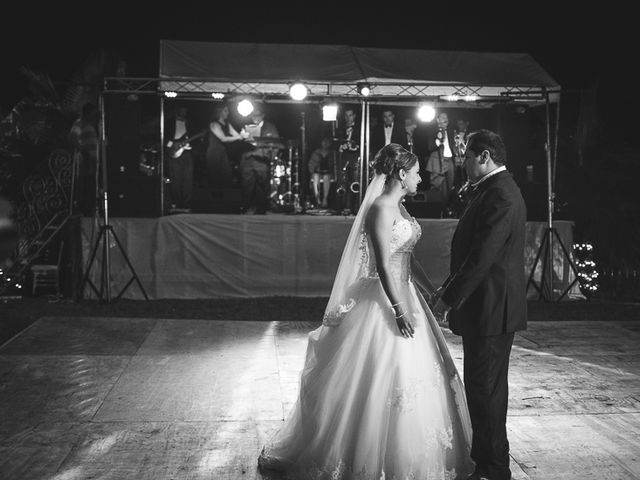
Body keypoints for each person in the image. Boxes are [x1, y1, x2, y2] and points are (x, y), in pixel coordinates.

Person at [258, 143, 475, 480]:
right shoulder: (380, 210)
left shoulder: (401, 208)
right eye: (417, 173)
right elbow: (385, 266)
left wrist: (432, 291)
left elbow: (408, 258)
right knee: (380, 373)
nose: (421, 179)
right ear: (402, 175)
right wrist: (399, 309)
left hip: (409, 295)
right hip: (386, 299)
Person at [431, 129, 527, 480]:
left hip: (491, 308)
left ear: (483, 156)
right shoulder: (496, 190)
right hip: (488, 306)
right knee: (484, 388)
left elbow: (482, 257)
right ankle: (487, 463)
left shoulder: (500, 194)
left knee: (485, 390)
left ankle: (494, 469)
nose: (463, 162)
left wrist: (448, 298)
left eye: (467, 155)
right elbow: (476, 253)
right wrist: (448, 288)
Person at [239, 105, 280, 214]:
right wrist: (242, 137)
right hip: (248, 160)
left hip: (262, 160)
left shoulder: (270, 127)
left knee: (262, 186)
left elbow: (275, 144)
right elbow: (240, 143)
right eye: (253, 116)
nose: (255, 118)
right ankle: (246, 208)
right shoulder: (247, 126)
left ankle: (263, 209)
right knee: (247, 185)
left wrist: (270, 157)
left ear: (262, 115)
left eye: (257, 115)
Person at [205, 103, 249, 189]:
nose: (228, 112)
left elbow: (235, 135)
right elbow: (223, 138)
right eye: (226, 110)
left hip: (223, 152)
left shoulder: (227, 123)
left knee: (227, 174)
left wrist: (244, 135)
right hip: (214, 153)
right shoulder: (214, 124)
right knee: (215, 176)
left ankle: (224, 197)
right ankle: (215, 197)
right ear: (220, 112)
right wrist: (239, 136)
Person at [68, 102, 99, 216]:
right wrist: (83, 152)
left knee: (90, 184)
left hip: (91, 161)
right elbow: (72, 138)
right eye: (93, 113)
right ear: (88, 113)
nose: (95, 115)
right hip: (84, 161)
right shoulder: (79, 123)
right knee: (84, 184)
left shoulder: (89, 124)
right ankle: (82, 209)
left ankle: (88, 208)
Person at [164, 104, 197, 212]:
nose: (184, 112)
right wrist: (173, 145)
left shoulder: (189, 123)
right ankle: (177, 204)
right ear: (177, 110)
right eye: (182, 109)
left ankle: (186, 204)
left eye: (185, 110)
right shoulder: (169, 122)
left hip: (187, 153)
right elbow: (164, 139)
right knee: (176, 180)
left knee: (188, 180)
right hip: (174, 153)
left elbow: (193, 137)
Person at [425, 112, 456, 203]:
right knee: (439, 185)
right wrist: (438, 140)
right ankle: (439, 207)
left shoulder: (450, 131)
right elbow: (430, 147)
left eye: (446, 117)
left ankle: (448, 206)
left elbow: (453, 146)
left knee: (450, 183)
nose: (445, 119)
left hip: (449, 160)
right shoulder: (432, 131)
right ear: (438, 120)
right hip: (438, 161)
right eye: (443, 117)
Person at [336, 106, 361, 214]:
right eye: (346, 116)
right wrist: (341, 146)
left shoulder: (360, 128)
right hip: (343, 158)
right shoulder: (340, 128)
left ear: (354, 116)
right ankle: (342, 207)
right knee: (342, 183)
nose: (348, 118)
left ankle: (355, 208)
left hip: (355, 159)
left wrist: (353, 146)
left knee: (355, 183)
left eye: (350, 115)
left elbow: (362, 143)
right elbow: (335, 141)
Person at [307, 136, 335, 208]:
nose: (325, 144)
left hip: (327, 172)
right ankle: (317, 199)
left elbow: (333, 165)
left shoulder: (332, 153)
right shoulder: (316, 152)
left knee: (326, 178)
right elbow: (311, 163)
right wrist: (312, 172)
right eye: (324, 142)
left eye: (327, 142)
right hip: (317, 171)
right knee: (315, 177)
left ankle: (325, 199)